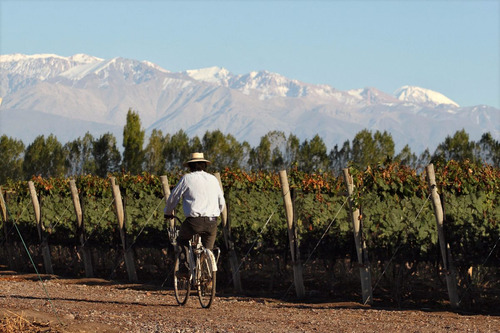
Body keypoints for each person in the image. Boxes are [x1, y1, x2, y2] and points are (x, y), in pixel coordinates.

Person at [164, 152, 225, 277]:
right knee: (208, 249)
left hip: (193, 222)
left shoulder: (187, 179)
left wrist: (168, 212)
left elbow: (173, 198)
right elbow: (222, 202)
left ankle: (184, 267)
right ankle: (206, 276)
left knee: (182, 240)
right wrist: (216, 213)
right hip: (212, 221)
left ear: (190, 166)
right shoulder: (213, 179)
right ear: (204, 165)